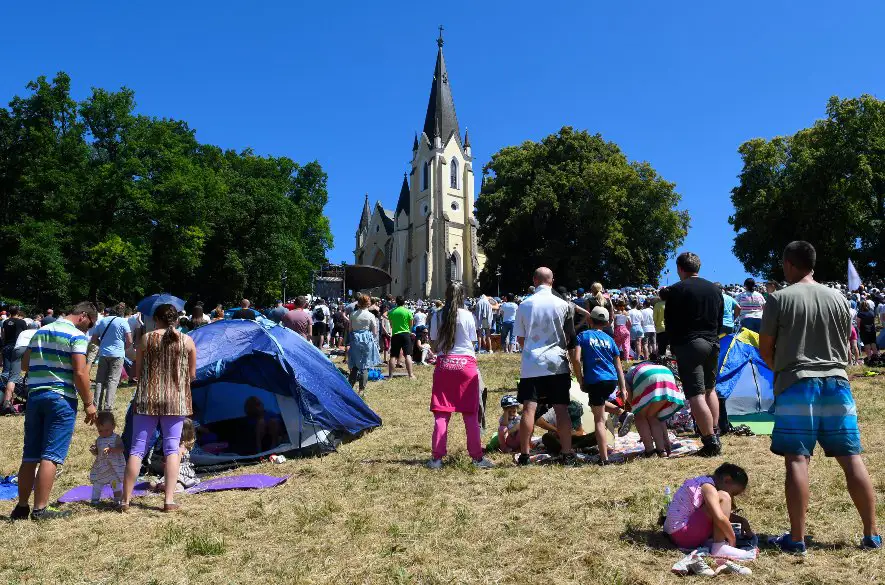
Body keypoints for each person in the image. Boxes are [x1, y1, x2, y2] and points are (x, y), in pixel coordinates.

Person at [759, 241, 880, 554]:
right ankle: (872, 533)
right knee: (852, 459)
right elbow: (844, 341)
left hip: (797, 383)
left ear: (788, 264)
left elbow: (765, 348)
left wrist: (781, 371)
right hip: (837, 383)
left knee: (798, 460)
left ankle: (797, 538)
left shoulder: (778, 299)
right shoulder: (839, 298)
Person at [10, 301, 98, 521]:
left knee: (30, 455)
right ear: (84, 316)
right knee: (51, 455)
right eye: (90, 324)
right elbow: (80, 372)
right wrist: (89, 402)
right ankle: (40, 509)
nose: (88, 330)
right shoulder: (76, 336)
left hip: (35, 395)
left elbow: (25, 364)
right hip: (60, 398)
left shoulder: (41, 330)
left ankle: (21, 507)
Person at [122, 304, 197, 513]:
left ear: (156, 318)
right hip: (176, 400)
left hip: (148, 398)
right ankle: (169, 501)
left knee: (137, 449)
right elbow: (192, 374)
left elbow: (137, 371)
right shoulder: (187, 341)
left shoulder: (146, 339)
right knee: (172, 449)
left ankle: (125, 501)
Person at [514, 267, 578, 465]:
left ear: (534, 280)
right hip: (557, 363)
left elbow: (521, 339)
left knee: (528, 409)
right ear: (552, 281)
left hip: (532, 363)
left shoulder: (524, 305)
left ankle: (525, 455)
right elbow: (569, 337)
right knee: (561, 409)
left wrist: (533, 351)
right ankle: (567, 453)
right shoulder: (563, 305)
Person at [426, 281, 493, 469]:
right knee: (470, 414)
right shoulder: (467, 316)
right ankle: (476, 458)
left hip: (445, 364)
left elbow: (433, 344)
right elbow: (472, 339)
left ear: (445, 295)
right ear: (462, 296)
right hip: (466, 365)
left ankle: (437, 458)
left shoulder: (437, 315)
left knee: (441, 414)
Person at [665, 252, 723, 457]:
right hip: (713, 342)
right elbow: (719, 317)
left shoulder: (676, 290)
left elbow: (669, 322)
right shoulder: (716, 289)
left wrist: (670, 345)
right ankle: (715, 431)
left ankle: (709, 441)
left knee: (695, 394)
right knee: (710, 390)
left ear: (680, 269)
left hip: (690, 343)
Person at [569, 306, 627, 464]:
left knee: (599, 420)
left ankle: (604, 459)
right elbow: (619, 365)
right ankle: (621, 413)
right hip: (611, 379)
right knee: (597, 404)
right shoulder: (610, 340)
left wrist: (580, 379)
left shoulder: (583, 336)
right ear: (607, 322)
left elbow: (575, 358)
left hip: (594, 379)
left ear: (589, 319)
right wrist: (622, 388)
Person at [664, 463, 755, 561]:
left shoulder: (704, 481)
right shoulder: (709, 488)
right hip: (684, 535)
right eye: (733, 493)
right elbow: (719, 517)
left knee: (721, 503)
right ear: (727, 480)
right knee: (724, 496)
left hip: (676, 534)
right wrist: (732, 540)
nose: (732, 497)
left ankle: (715, 542)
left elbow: (712, 512)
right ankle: (719, 547)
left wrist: (741, 520)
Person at [625, 361, 685, 457]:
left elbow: (630, 401)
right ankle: (661, 450)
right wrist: (667, 443)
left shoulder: (626, 376)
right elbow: (661, 419)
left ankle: (650, 451)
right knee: (654, 416)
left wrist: (635, 409)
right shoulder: (648, 365)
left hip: (646, 375)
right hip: (666, 374)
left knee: (640, 416)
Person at [90, 303, 133, 412]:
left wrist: (102, 345)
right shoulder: (123, 322)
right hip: (117, 354)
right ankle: (108, 406)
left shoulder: (102, 321)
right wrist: (123, 348)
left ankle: (96, 405)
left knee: (100, 380)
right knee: (112, 381)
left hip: (104, 354)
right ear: (122, 313)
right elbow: (129, 340)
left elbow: (94, 338)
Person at [151, 418, 200, 492]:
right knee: (152, 484)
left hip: (180, 473)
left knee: (177, 485)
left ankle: (168, 487)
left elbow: (176, 465)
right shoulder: (182, 444)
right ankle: (165, 486)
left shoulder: (180, 446)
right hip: (173, 471)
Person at [89, 411, 126, 505]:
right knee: (97, 483)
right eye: (100, 431)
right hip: (102, 467)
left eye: (107, 430)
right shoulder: (99, 439)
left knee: (115, 484)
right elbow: (99, 453)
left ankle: (117, 500)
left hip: (114, 467)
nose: (104, 433)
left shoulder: (116, 438)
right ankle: (95, 500)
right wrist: (94, 451)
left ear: (113, 426)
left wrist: (112, 449)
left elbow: (121, 449)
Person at [346, 294, 380, 395]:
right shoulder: (370, 315)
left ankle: (350, 387)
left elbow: (350, 329)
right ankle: (361, 390)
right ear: (368, 303)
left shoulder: (353, 314)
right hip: (366, 339)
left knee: (355, 364)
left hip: (355, 338)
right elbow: (374, 331)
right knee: (364, 365)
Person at [1, 307, 29, 414]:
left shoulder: (5, 322)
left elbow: (3, 335)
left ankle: (4, 396)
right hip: (17, 347)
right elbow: (25, 335)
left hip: (7, 347)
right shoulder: (22, 322)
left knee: (6, 372)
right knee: (15, 374)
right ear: (18, 312)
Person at [387, 296, 415, 380]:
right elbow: (411, 324)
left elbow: (391, 324)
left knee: (393, 356)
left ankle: (390, 376)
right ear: (404, 302)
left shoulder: (392, 312)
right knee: (408, 355)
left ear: (396, 302)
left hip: (395, 334)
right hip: (406, 334)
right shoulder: (408, 311)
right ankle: (410, 375)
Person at [653, 289, 668, 357]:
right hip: (671, 329)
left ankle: (663, 362)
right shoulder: (672, 304)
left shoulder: (657, 305)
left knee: (661, 348)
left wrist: (656, 324)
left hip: (660, 329)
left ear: (660, 296)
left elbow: (655, 318)